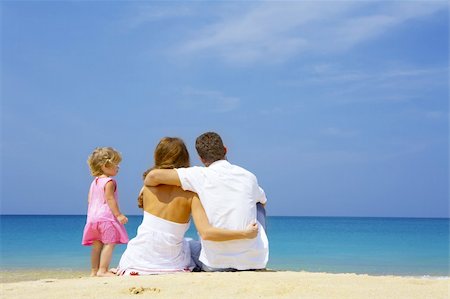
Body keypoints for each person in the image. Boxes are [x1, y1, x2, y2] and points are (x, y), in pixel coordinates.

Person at [117, 137, 258, 275]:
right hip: (171, 262)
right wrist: (245, 234)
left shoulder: (147, 189)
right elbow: (206, 232)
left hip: (138, 256)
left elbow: (154, 177)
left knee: (187, 243)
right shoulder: (190, 194)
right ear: (185, 158)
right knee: (190, 244)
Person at [81, 147, 129, 277]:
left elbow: (89, 200)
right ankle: (103, 270)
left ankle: (93, 271)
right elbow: (109, 198)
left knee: (97, 245)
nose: (118, 167)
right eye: (116, 164)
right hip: (106, 218)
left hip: (92, 219)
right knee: (110, 243)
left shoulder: (94, 182)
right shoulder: (109, 182)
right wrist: (119, 215)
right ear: (105, 165)